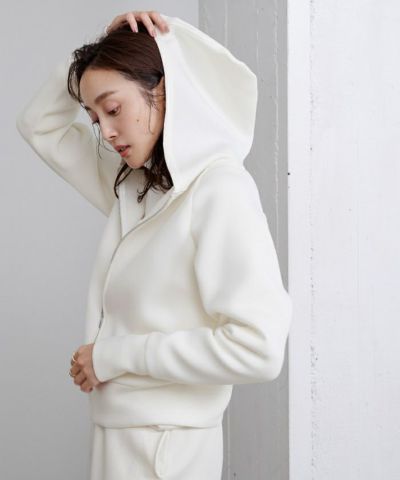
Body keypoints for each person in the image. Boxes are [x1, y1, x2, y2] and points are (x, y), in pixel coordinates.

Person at [16, 10, 293, 480]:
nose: (105, 132)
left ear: (162, 90)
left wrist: (112, 356)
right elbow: (39, 124)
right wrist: (94, 53)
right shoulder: (138, 187)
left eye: (113, 109)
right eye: (94, 117)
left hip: (166, 448)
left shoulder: (218, 190)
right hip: (122, 434)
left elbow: (259, 347)